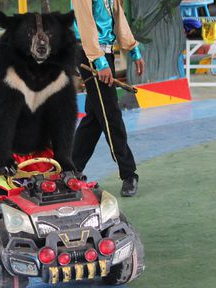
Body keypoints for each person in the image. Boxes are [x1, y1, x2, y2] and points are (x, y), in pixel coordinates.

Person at [71, 0, 145, 197]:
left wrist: (133, 49)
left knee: (95, 117)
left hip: (105, 53)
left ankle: (70, 169)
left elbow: (118, 16)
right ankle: (128, 173)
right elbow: (85, 23)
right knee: (110, 114)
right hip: (90, 54)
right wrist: (99, 61)